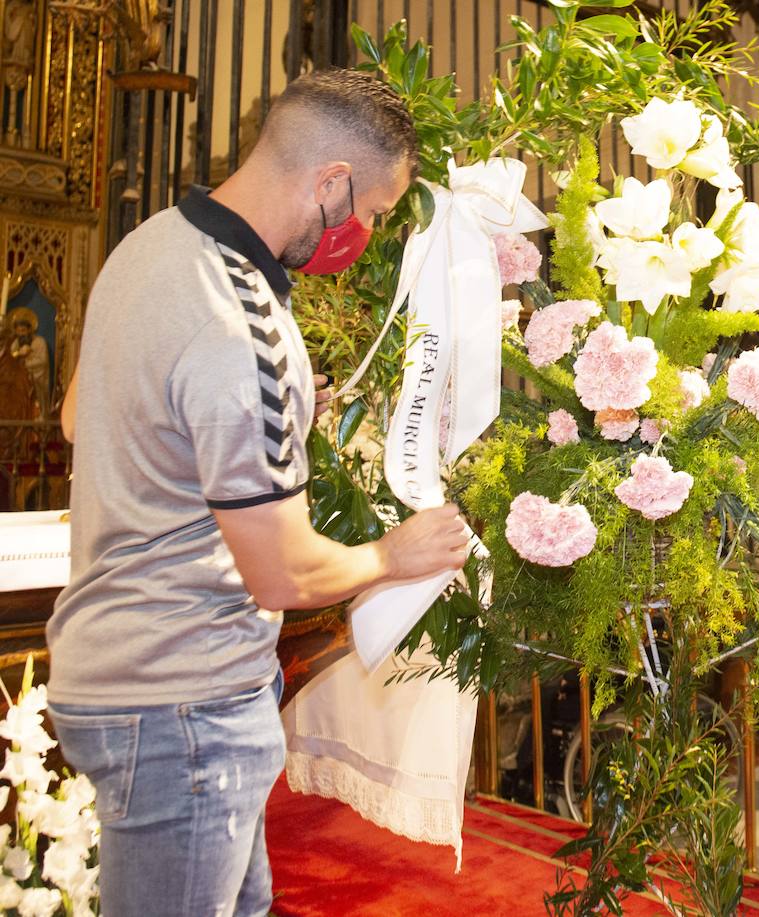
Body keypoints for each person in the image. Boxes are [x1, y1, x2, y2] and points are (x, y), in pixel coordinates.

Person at [46, 69, 472, 917]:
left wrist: (252, 419)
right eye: (376, 213)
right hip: (183, 702)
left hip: (117, 673)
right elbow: (280, 574)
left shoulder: (148, 246)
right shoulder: (244, 319)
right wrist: (397, 553)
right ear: (331, 183)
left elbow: (76, 418)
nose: (368, 233)